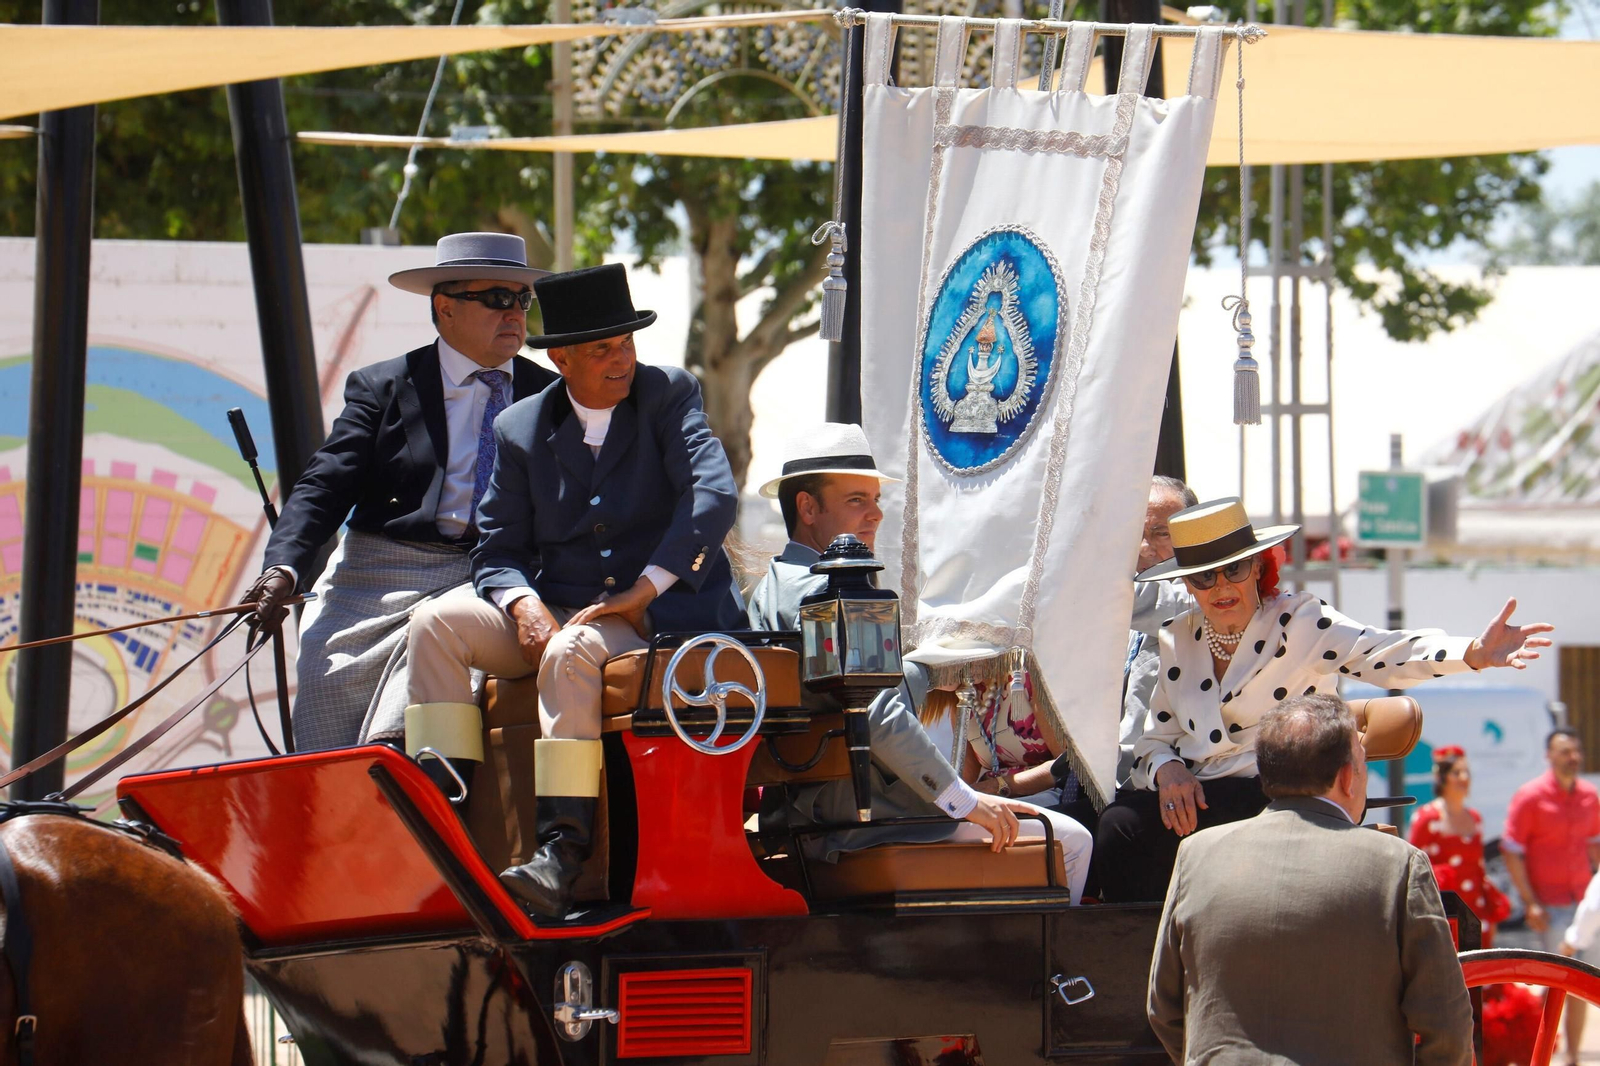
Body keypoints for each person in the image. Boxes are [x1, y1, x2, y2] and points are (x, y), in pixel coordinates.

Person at [403, 262, 747, 919]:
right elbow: (497, 548)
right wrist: (522, 603)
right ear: (559, 358)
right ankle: (441, 826)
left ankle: (562, 854)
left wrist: (645, 588)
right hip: (562, 606)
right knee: (433, 625)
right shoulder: (519, 429)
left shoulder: (670, 393)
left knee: (569, 653)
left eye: (627, 344)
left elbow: (713, 499)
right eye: (601, 350)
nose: (621, 360)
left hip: (660, 611)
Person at [1096, 496, 1555, 903]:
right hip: (1197, 798)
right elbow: (1155, 739)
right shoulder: (1179, 637)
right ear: (1189, 585)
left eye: (1233, 569)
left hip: (1279, 791)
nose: (1220, 588)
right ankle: (1136, 972)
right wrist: (1169, 769)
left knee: (1227, 822)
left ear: (1258, 566)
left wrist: (1473, 652)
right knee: (1118, 826)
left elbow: (1383, 652)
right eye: (1203, 577)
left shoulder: (1299, 621)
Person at [238, 232, 557, 765]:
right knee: (324, 671)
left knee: (414, 698)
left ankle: (420, 799)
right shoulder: (383, 386)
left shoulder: (550, 396)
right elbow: (324, 485)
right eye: (498, 299)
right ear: (445, 307)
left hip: (494, 575)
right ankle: (337, 818)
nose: (515, 314)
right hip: (378, 574)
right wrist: (283, 570)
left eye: (523, 299)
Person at [747, 426, 1091, 901]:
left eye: (874, 498)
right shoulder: (832, 591)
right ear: (807, 508)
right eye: (855, 501)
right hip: (860, 819)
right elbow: (877, 714)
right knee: (1072, 840)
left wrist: (930, 673)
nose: (876, 514)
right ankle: (1055, 977)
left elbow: (848, 692)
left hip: (810, 814)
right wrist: (962, 799)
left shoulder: (772, 588)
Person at [1147, 694, 1474, 1065]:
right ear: (1348, 778)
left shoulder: (1196, 854)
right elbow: (1446, 1022)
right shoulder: (1397, 864)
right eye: (1363, 764)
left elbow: (1164, 1007)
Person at [1503, 727, 1600, 1064]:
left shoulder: (1589, 795)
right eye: (1565, 752)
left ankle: (1571, 1056)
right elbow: (1511, 850)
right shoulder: (1531, 796)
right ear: (1549, 756)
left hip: (1584, 903)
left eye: (1576, 752)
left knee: (1582, 983)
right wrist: (1529, 903)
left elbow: (1595, 844)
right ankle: (1547, 1053)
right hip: (1550, 906)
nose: (1573, 758)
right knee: (1561, 982)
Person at [1408, 746, 1512, 947]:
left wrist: (1491, 912)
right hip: (1444, 911)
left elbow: (1479, 869)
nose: (1464, 778)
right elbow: (1413, 868)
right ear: (1442, 777)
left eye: (1467, 772)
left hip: (1476, 909)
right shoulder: (1427, 818)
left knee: (1481, 971)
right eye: (1457, 772)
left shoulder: (1475, 818)